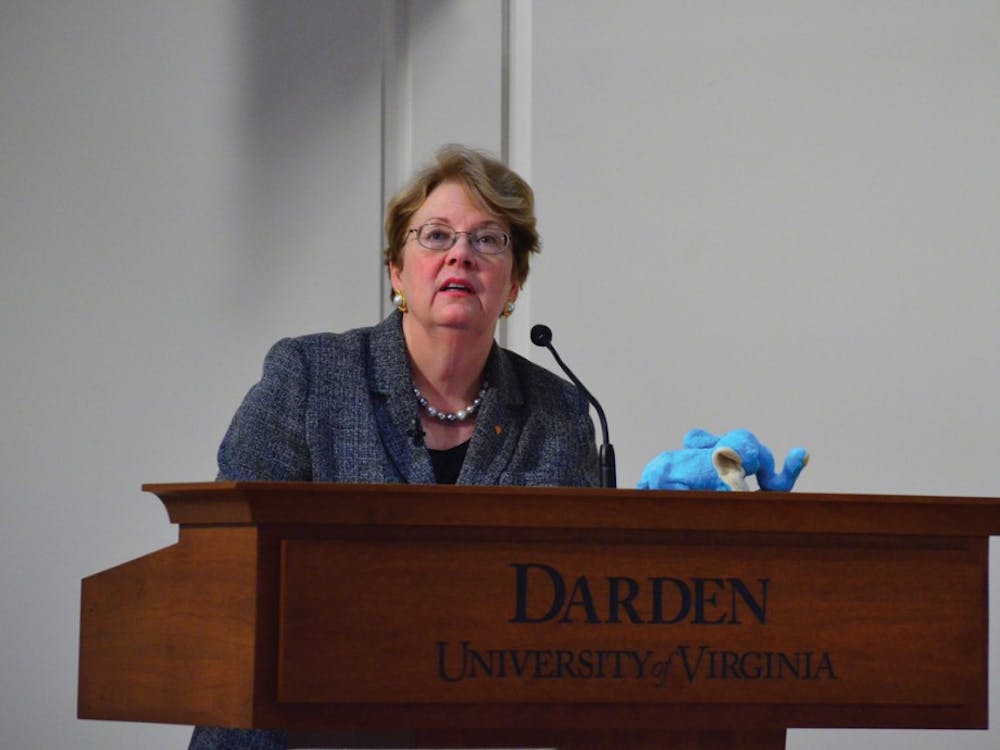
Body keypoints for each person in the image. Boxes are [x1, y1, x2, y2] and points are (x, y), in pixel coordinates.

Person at [187, 144, 599, 750]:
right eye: (436, 236)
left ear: (514, 282)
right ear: (397, 272)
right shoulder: (310, 376)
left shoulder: (559, 412)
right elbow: (225, 561)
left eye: (489, 239)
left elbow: (582, 603)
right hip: (302, 724)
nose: (461, 253)